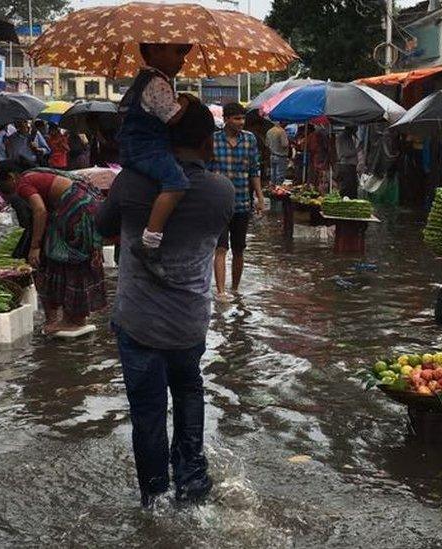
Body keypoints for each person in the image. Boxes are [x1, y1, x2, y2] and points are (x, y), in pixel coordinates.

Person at [96, 101, 234, 507]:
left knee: (148, 413)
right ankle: (193, 485)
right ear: (209, 143)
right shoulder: (221, 191)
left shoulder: (133, 183)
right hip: (189, 323)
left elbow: (101, 229)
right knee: (190, 393)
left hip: (138, 323)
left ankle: (154, 497)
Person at [0, 160, 106, 336]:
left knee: (67, 261)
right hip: (87, 208)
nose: (15, 194)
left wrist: (35, 246)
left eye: (10, 190)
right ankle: (75, 318)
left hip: (76, 211)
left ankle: (72, 320)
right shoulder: (34, 174)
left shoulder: (23, 182)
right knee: (76, 264)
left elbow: (40, 210)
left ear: (11, 177)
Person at [116, 42, 195, 280]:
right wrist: (186, 101)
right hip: (146, 148)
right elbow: (172, 117)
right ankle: (150, 243)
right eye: (178, 52)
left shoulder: (143, 82)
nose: (183, 60)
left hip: (135, 149)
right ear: (154, 51)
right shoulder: (157, 83)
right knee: (177, 182)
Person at [210, 102, 264, 300]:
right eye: (237, 119)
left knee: (239, 249)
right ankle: (221, 292)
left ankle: (235, 289)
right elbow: (206, 172)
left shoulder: (250, 140)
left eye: (243, 119)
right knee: (221, 248)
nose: (241, 123)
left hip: (242, 202)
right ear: (226, 119)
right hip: (218, 204)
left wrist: (260, 197)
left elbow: (254, 171)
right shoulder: (213, 140)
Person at [335, 126, 359, 197]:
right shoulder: (343, 136)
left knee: (351, 187)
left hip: (350, 165)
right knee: (347, 188)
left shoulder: (349, 136)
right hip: (347, 165)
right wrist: (356, 150)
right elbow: (344, 153)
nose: (357, 129)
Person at [266, 119, 290, 185]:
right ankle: (278, 190)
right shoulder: (282, 131)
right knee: (280, 175)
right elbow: (284, 144)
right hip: (281, 156)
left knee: (273, 174)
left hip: (272, 155)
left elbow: (267, 144)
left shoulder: (269, 131)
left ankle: (272, 189)